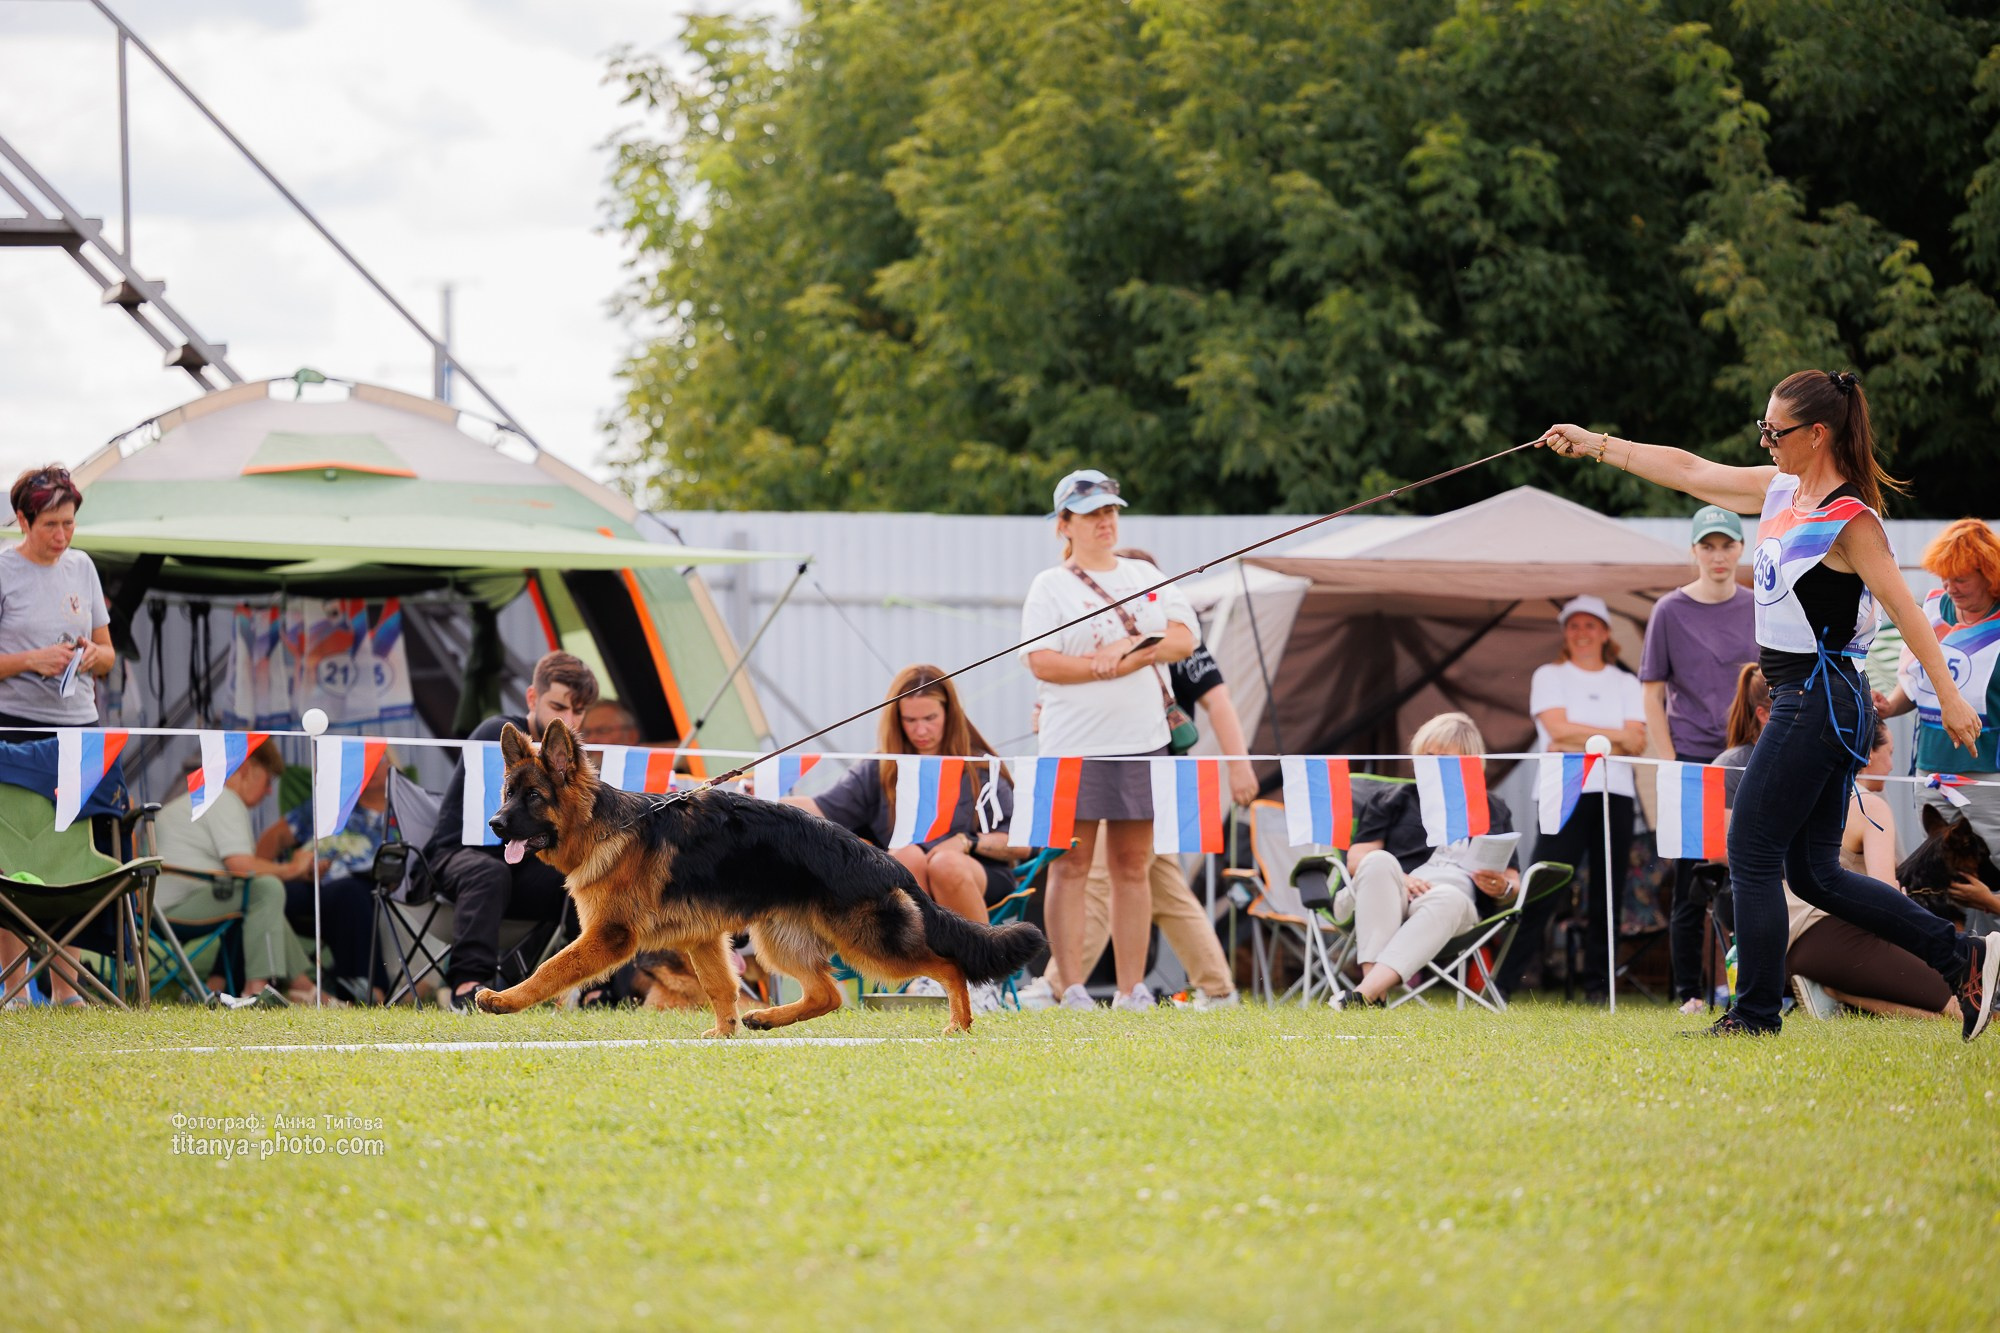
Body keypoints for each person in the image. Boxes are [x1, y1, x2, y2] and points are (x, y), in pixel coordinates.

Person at [1542, 368, 1996, 1039]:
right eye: (1764, 427)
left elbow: (1907, 610)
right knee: (1814, 875)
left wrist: (1951, 698)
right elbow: (1691, 471)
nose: (1764, 441)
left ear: (1818, 434)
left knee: (1750, 848)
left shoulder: (1851, 519)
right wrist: (1597, 444)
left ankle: (1754, 1015)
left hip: (1818, 697)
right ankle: (1962, 955)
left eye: (1774, 431)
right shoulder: (1782, 488)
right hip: (1811, 698)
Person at [1015, 545, 1247, 1010]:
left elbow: (1218, 700)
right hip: (1104, 760)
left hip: (1151, 764)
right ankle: (1213, 987)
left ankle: (1061, 985)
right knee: (1140, 881)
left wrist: (1239, 764)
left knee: (1119, 879)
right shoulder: (1079, 620)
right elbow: (1047, 670)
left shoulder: (1174, 637)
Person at [1020, 469, 1199, 1011]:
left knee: (1132, 866)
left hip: (1144, 740)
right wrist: (1104, 667)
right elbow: (1041, 662)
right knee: (1070, 866)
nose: (1105, 521)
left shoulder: (1145, 574)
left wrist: (1128, 650)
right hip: (1072, 745)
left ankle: (1131, 989)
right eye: (1092, 513)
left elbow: (1184, 637)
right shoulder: (1049, 586)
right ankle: (1070, 987)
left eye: (1110, 511)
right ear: (1064, 524)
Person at [785, 663, 1025, 1013]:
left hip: (979, 875)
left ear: (950, 714)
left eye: (930, 718)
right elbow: (820, 807)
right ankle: (929, 972)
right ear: (896, 719)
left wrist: (966, 843)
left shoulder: (979, 766)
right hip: (911, 876)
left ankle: (982, 980)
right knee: (907, 858)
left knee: (945, 863)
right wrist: (759, 803)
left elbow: (1020, 843)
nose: (920, 730)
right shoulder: (882, 766)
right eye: (910, 720)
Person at [0, 465, 116, 1004]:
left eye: (69, 523)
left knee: (72, 854)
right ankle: (16, 987)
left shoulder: (83, 567)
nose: (62, 535)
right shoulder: (3, 570)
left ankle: (68, 988)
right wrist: (30, 660)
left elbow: (109, 652)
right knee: (16, 855)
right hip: (15, 730)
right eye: (50, 524)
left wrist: (92, 657)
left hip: (79, 728)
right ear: (23, 520)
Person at [428, 651, 598, 1013]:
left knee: (589, 870)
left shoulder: (570, 760)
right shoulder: (497, 732)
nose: (569, 721)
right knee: (488, 872)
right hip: (458, 859)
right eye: (558, 707)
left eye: (579, 711)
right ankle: (468, 987)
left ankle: (593, 988)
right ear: (532, 698)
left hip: (520, 865)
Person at [1497, 594, 1645, 1001]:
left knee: (1608, 892)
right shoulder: (1549, 675)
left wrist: (1581, 738)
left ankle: (1600, 988)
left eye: (1590, 624)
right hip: (1562, 788)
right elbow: (1556, 731)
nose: (1582, 633)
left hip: (1614, 792)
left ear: (1605, 633)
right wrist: (1610, 738)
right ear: (1565, 633)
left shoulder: (1626, 681)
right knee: (1543, 886)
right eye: (1574, 625)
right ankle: (1505, 982)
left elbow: (1637, 741)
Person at [1640, 505, 1758, 1014]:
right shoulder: (1669, 610)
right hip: (1692, 759)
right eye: (1707, 546)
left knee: (1755, 873)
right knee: (1691, 878)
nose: (1718, 555)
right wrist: (1671, 763)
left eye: (1727, 545)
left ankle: (1760, 986)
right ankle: (1689, 992)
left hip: (1750, 759)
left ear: (1741, 549)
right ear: (1693, 551)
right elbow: (1651, 692)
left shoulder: (1760, 604)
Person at [1333, 713, 1520, 1006]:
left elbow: (1513, 882)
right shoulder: (1393, 798)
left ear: (1468, 762)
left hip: (1451, 908)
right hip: (1385, 896)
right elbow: (1358, 859)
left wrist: (1503, 888)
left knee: (1450, 898)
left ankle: (1366, 995)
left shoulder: (1492, 808)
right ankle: (1370, 994)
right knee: (1378, 861)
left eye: (1443, 758)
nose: (1431, 764)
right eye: (1426, 756)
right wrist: (1402, 879)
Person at [1785, 720, 1962, 1022]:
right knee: (1962, 1000)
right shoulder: (1870, 805)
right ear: (1867, 755)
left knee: (1939, 1001)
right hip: (1836, 936)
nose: (1891, 765)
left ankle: (1835, 990)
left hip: (1787, 943)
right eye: (1889, 753)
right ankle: (1834, 988)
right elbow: (1884, 893)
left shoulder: (1807, 792)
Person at [1875, 518, 2000, 936]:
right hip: (1931, 774)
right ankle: (1955, 970)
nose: (1950, 588)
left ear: (1990, 576)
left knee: (1992, 883)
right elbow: (1915, 685)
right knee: (1937, 885)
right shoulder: (1931, 608)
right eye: (1945, 578)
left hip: (1989, 779)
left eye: (1961, 579)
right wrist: (1888, 706)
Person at [152, 739, 341, 1006]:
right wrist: (292, 868)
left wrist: (291, 871)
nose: (269, 791)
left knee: (257, 899)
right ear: (247, 768)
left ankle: (292, 988)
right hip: (174, 909)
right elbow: (242, 866)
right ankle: (258, 991)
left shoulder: (205, 797)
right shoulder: (224, 798)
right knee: (265, 890)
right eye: (268, 780)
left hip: (157, 907)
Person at [256, 749, 394, 1003]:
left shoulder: (401, 813)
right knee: (263, 893)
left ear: (392, 766)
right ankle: (243, 983)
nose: (371, 766)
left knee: (352, 893)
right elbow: (275, 837)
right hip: (308, 881)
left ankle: (366, 989)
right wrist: (266, 869)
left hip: (366, 889)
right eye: (364, 760)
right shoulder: (330, 805)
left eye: (378, 759)